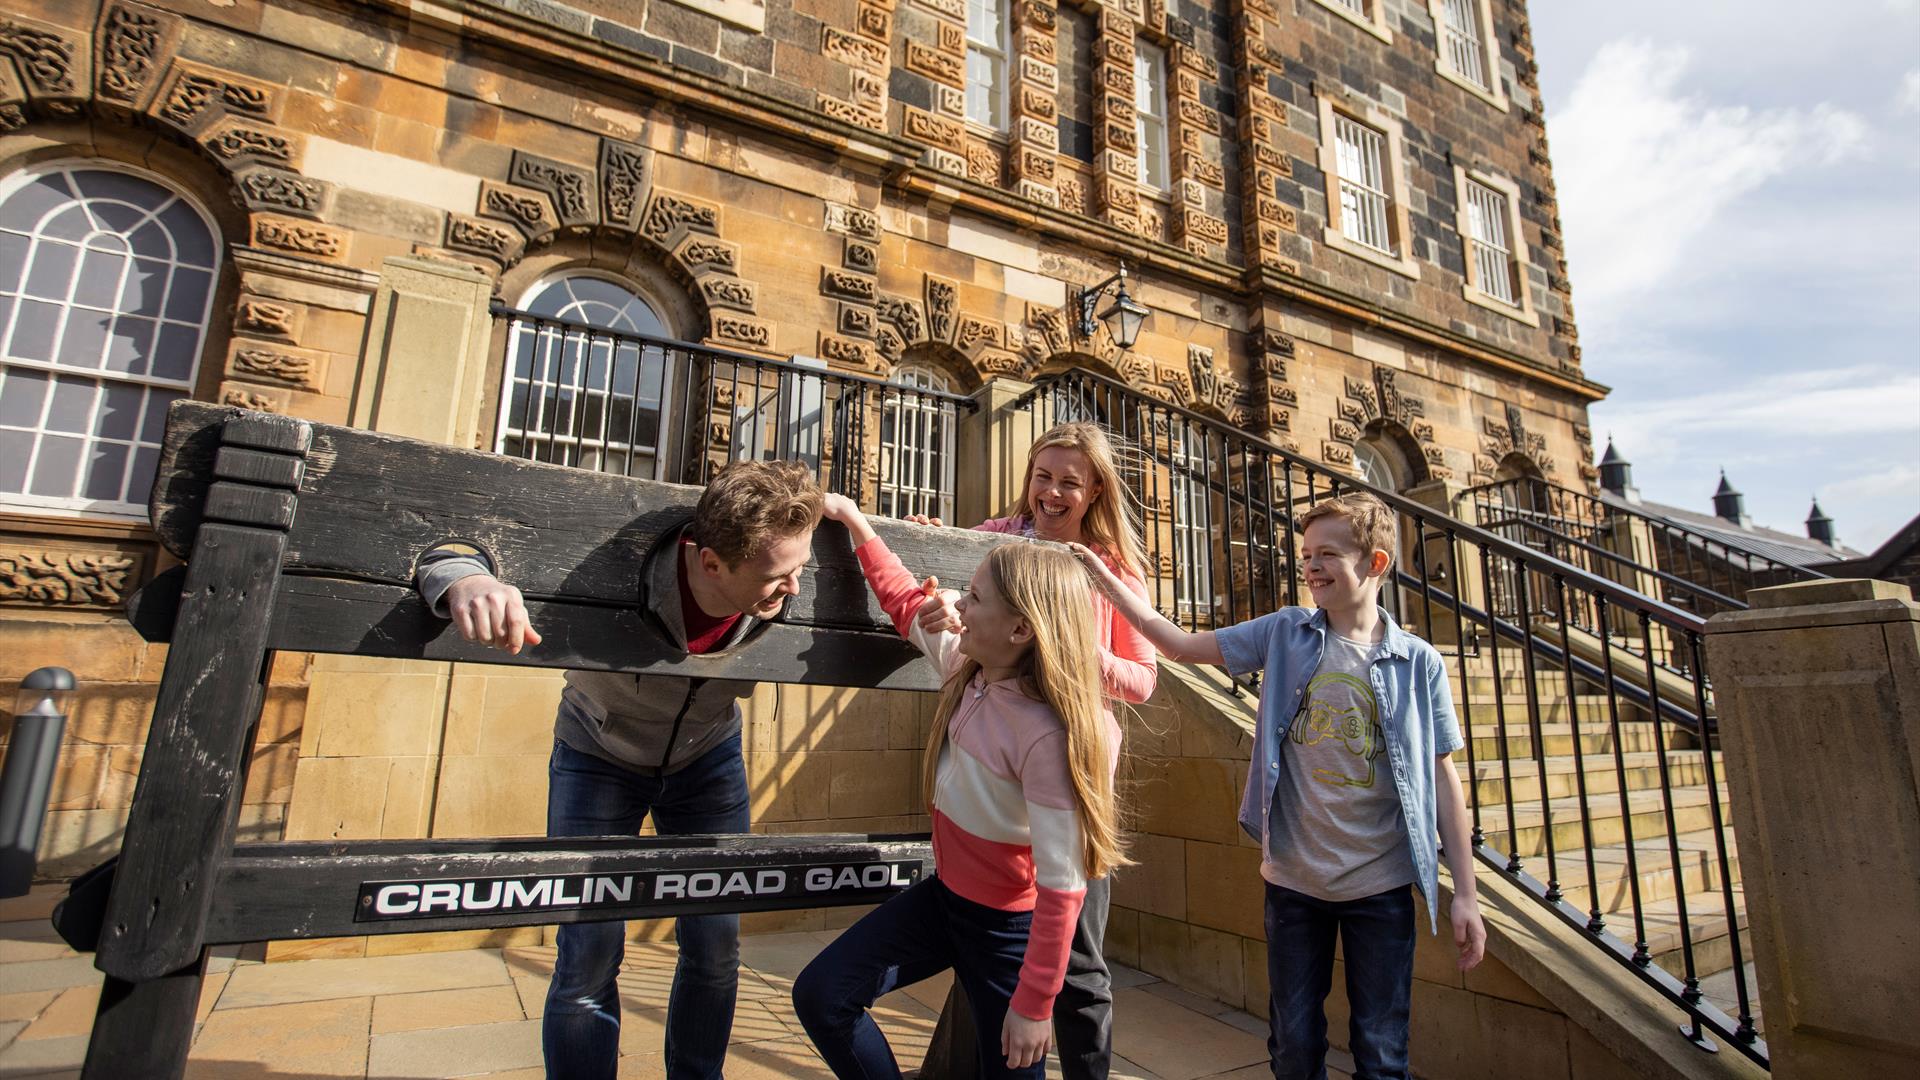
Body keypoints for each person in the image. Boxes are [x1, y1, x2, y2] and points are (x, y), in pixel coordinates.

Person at [414, 460, 825, 1080]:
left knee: (715, 950)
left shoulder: (780, 577)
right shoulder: (626, 560)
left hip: (708, 757)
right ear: (710, 562)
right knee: (587, 956)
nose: (793, 588)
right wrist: (462, 579)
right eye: (776, 575)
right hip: (597, 755)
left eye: (800, 569)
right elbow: (440, 534)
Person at [1070, 491, 1485, 1080]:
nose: (1311, 566)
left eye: (1328, 554)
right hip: (1295, 884)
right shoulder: (1287, 632)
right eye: (1307, 555)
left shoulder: (1419, 663)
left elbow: (1443, 778)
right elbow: (1179, 645)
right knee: (1293, 1046)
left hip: (1381, 887)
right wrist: (1104, 578)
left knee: (1382, 1049)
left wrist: (1464, 892)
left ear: (1376, 563)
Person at [792, 493, 1128, 1079]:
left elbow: (1063, 887)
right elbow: (902, 599)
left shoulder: (1046, 736)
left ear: (1021, 628)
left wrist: (1033, 1004)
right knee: (821, 994)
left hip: (1008, 934)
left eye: (972, 598)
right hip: (945, 901)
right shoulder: (964, 666)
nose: (955, 605)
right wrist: (854, 520)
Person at [904, 421, 1153, 1079]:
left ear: (1095, 488)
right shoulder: (995, 538)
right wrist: (927, 544)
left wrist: (1063, 639)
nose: (1052, 491)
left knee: (1076, 961)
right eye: (1043, 475)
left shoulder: (1114, 571)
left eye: (1070, 481)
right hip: (993, 775)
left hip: (1072, 773)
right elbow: (947, 594)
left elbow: (1143, 681)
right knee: (984, 942)